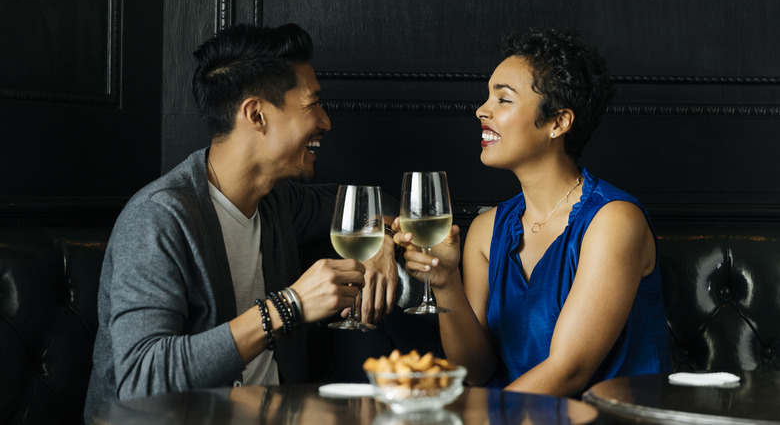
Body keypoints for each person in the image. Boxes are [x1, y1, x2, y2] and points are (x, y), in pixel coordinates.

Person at [83, 23, 400, 421]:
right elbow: (142, 381)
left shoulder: (279, 201)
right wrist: (291, 306)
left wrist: (381, 238)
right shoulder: (158, 218)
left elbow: (379, 203)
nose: (325, 122)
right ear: (256, 114)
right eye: (312, 104)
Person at [393, 27, 672, 397]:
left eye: (503, 99)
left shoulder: (614, 221)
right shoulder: (485, 229)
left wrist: (469, 421)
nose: (482, 110)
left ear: (558, 122)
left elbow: (568, 372)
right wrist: (446, 283)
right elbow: (475, 371)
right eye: (487, 96)